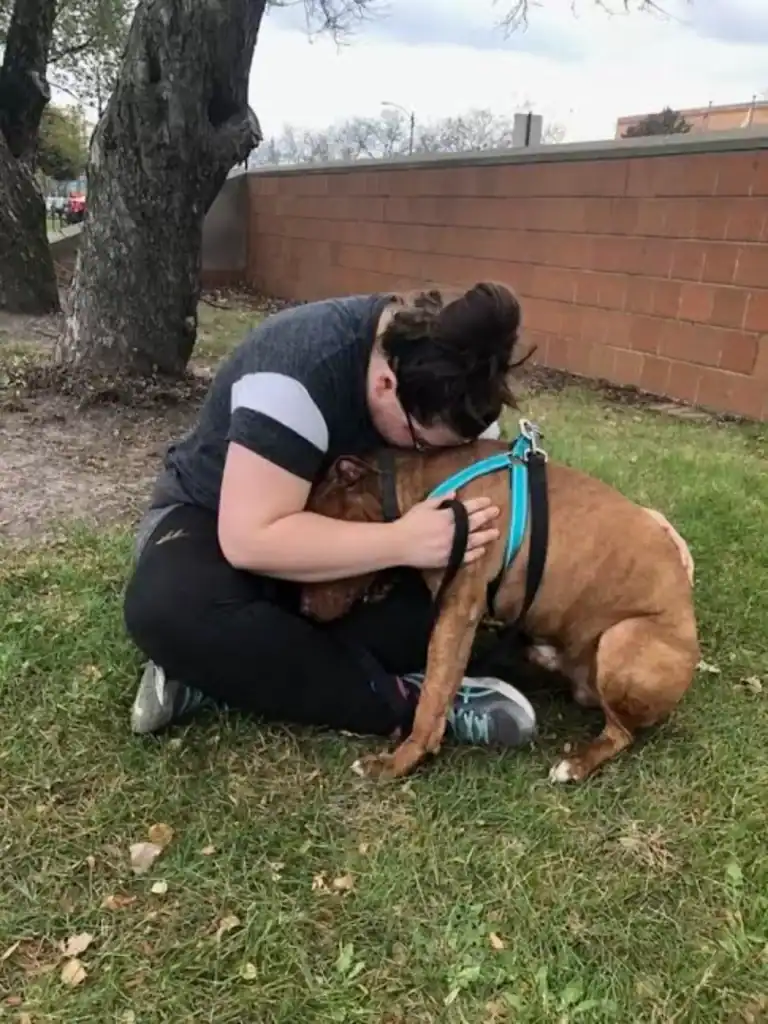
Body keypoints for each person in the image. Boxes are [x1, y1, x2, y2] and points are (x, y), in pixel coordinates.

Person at [124, 281, 542, 747]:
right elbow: (249, 539)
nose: (428, 456)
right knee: (169, 610)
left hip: (352, 546)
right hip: (217, 519)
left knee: (422, 621)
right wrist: (403, 543)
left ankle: (219, 669)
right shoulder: (297, 370)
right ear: (387, 384)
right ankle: (415, 704)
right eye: (423, 445)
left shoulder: (453, 376)